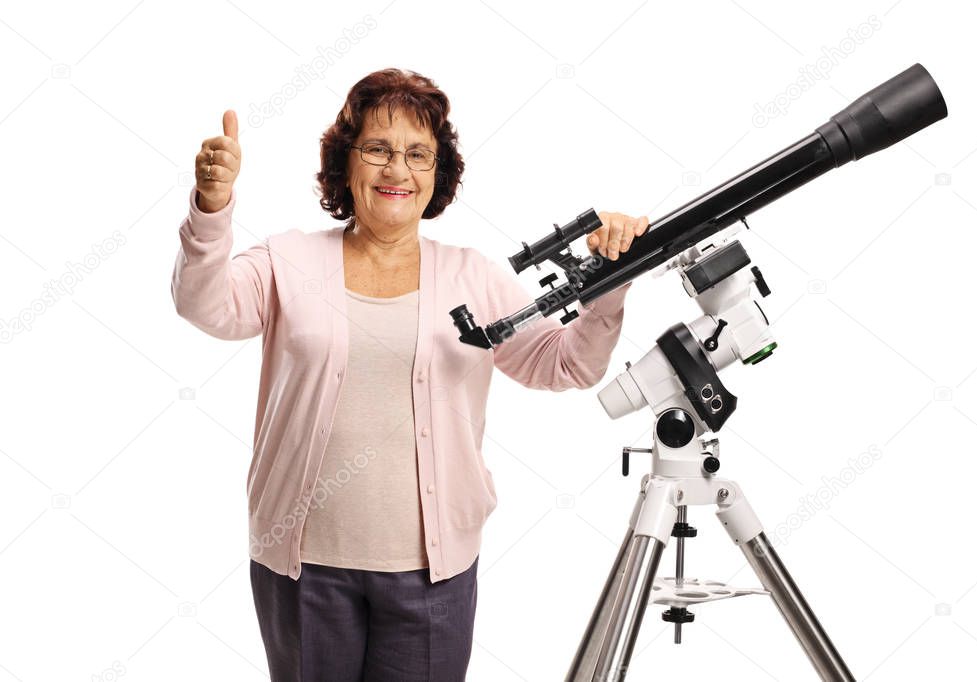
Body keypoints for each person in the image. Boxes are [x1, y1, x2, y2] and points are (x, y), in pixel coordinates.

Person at [171, 68, 648, 681]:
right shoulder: (288, 260)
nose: (397, 169)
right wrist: (212, 210)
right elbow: (203, 303)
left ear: (436, 175)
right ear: (347, 163)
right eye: (377, 149)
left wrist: (609, 283)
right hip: (300, 567)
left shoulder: (472, 276)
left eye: (418, 154)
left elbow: (567, 363)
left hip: (432, 576)